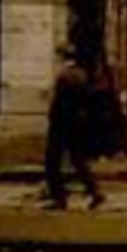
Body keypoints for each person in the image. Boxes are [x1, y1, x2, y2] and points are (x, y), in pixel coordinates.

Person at [44, 43, 103, 211]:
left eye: (57, 57)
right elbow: (87, 101)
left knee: (52, 162)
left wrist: (52, 118)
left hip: (60, 124)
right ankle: (95, 191)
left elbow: (58, 104)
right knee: (78, 160)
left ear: (61, 58)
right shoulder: (81, 75)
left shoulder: (63, 76)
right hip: (76, 124)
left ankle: (59, 199)